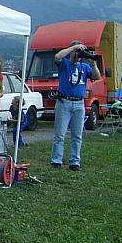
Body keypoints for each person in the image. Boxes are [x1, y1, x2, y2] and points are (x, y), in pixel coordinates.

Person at [50, 40, 101, 171]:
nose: (78, 54)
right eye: (76, 51)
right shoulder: (65, 64)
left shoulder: (84, 67)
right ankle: (56, 160)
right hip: (64, 102)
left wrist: (93, 63)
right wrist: (73, 48)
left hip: (79, 103)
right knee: (60, 134)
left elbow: (97, 76)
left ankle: (74, 162)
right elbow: (57, 57)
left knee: (77, 135)